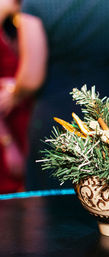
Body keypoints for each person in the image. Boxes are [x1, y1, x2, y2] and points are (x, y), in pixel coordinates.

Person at [0, 0, 109, 190]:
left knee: (50, 209)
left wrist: (15, 92)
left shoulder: (37, 2)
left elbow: (31, 79)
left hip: (56, 121)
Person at [0, 0, 32, 193]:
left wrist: (15, 85)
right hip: (5, 130)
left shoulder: (8, 30)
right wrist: (7, 144)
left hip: (18, 121)